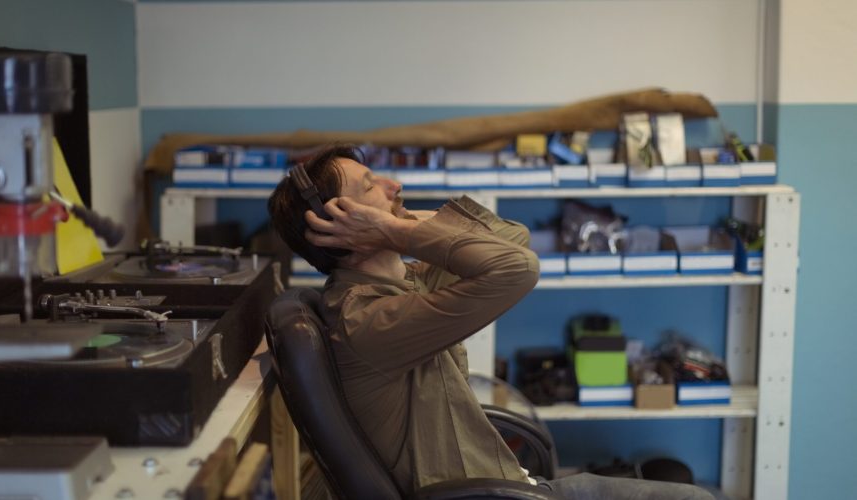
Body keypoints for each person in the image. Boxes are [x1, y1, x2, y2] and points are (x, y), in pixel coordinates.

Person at [268, 144, 713, 500]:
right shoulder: (370, 320)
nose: (395, 186)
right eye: (374, 187)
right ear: (341, 224)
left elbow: (510, 238)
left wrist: (396, 224)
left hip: (505, 483)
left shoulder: (407, 281)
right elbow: (518, 269)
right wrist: (395, 231)